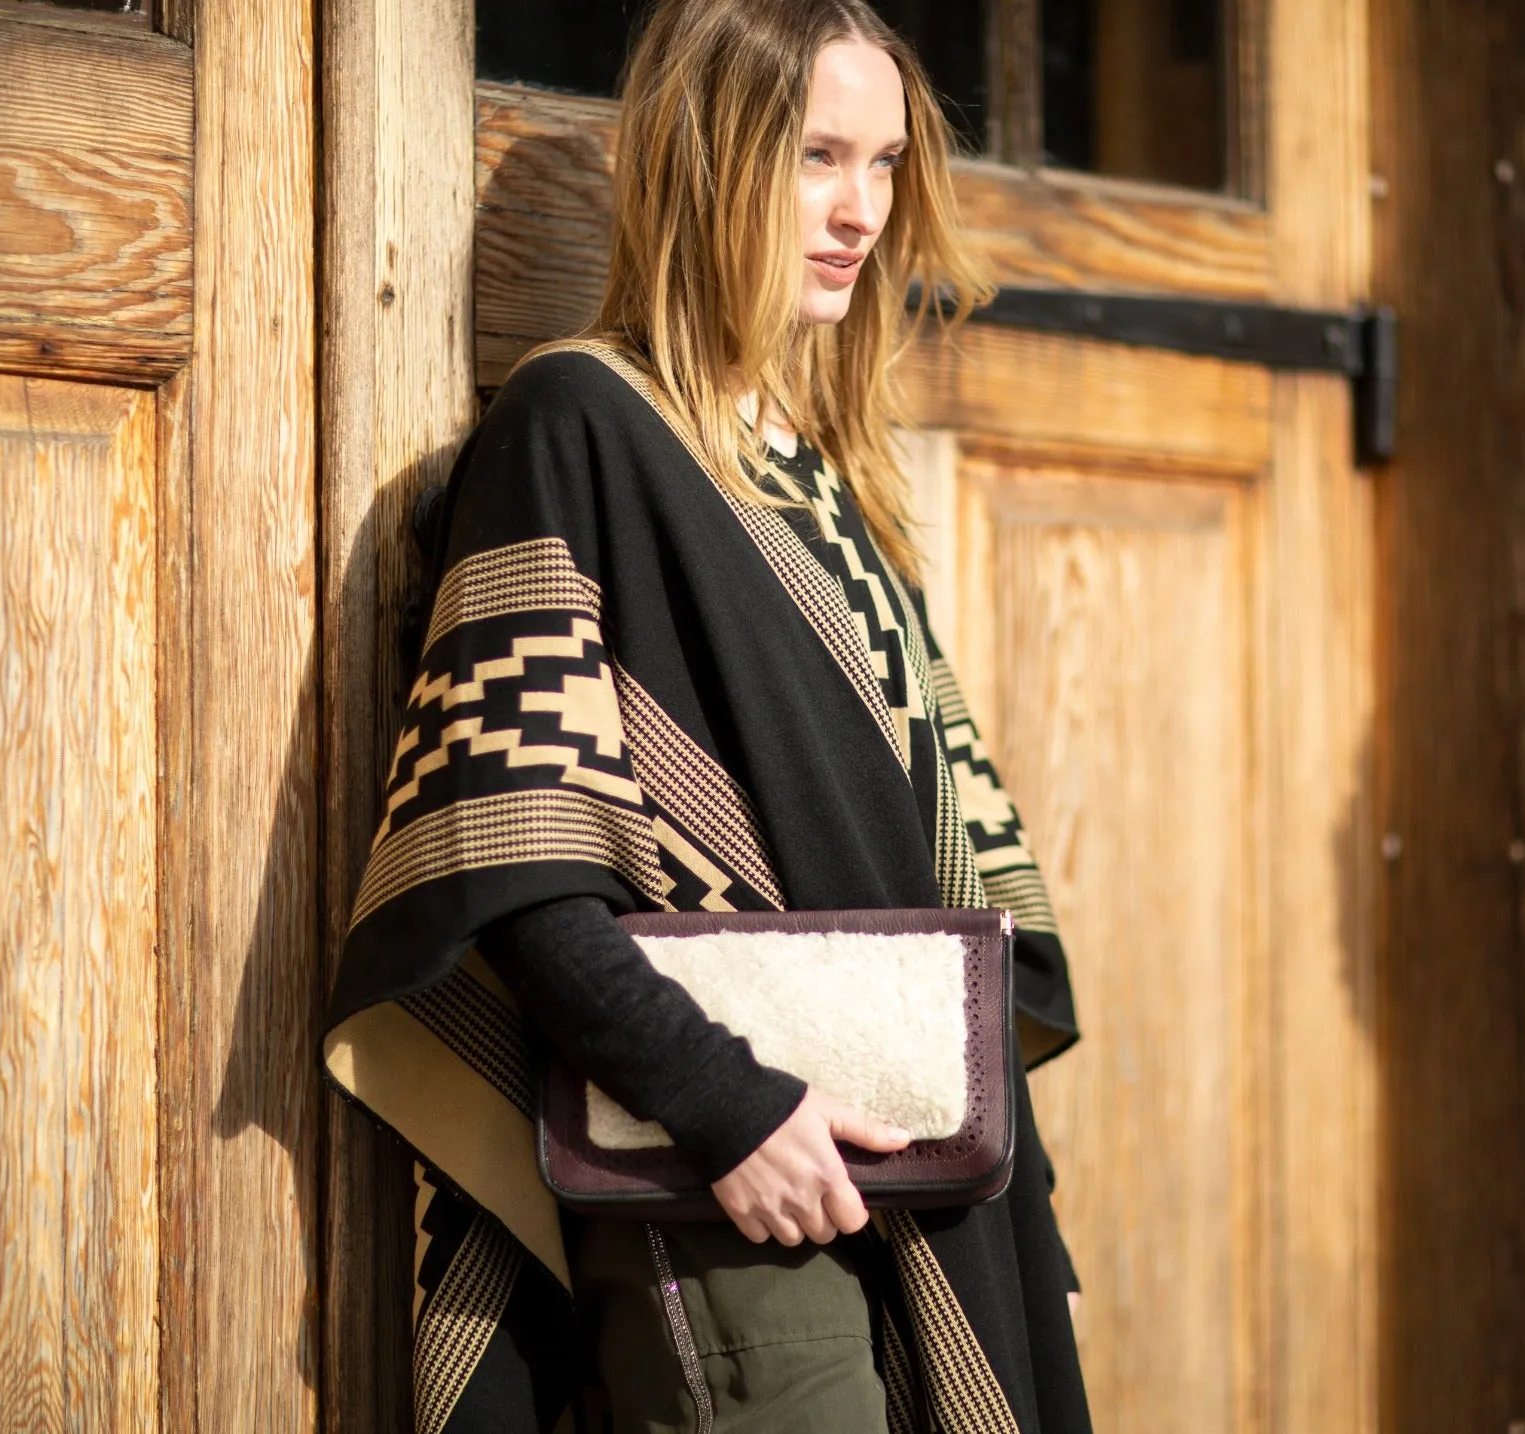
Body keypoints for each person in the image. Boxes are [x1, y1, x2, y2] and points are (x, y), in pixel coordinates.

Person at [322, 2, 1090, 1430]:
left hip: (921, 1187)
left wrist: (1025, 1229)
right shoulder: (577, 428)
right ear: (704, 159)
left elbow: (950, 894)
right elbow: (512, 864)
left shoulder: (833, 482)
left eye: (884, 165)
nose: (861, 211)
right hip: (726, 1200)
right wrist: (725, 1106)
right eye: (815, 158)